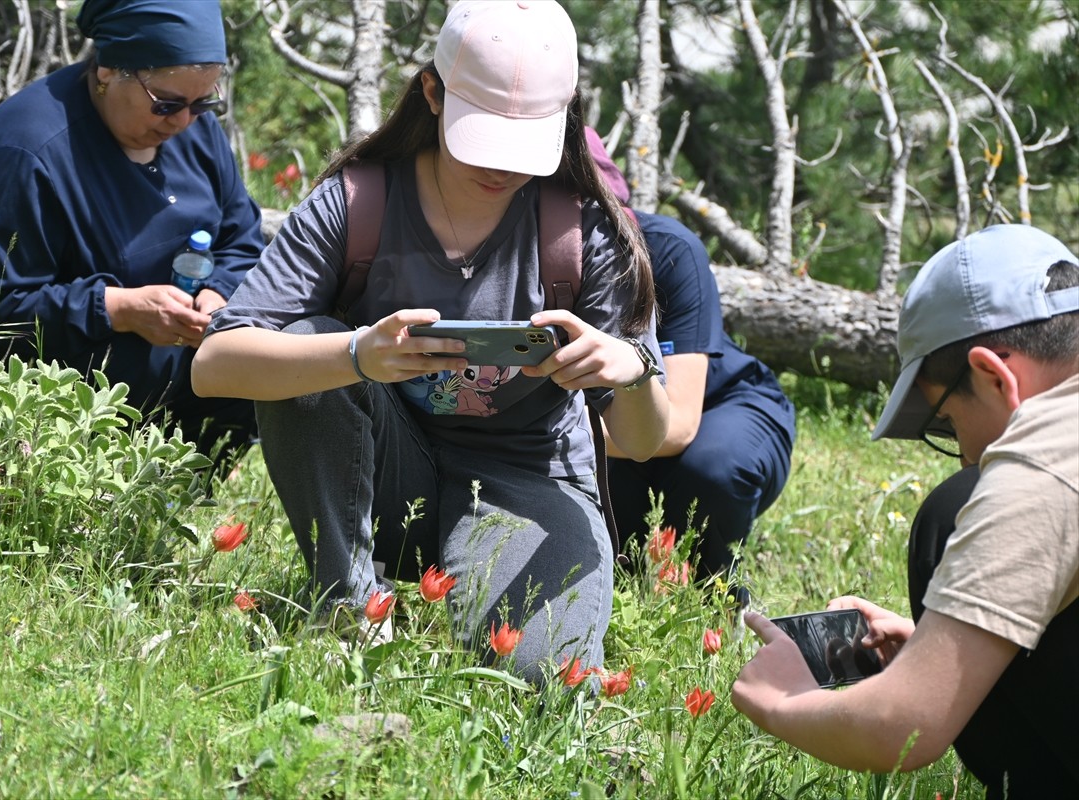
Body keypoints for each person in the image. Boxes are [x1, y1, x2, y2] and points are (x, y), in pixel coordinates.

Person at [191, 0, 669, 682]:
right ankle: (349, 610)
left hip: (528, 481)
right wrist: (357, 355)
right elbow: (213, 365)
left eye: (523, 144)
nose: (501, 168)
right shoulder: (355, 204)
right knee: (309, 344)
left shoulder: (586, 231)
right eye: (484, 137)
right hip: (384, 471)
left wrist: (631, 370)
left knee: (537, 682)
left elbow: (646, 440)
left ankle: (462, 587)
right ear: (432, 92)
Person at [731, 225, 1079, 797]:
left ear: (994, 377)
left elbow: (901, 728)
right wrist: (940, 644)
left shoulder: (1043, 462)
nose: (965, 456)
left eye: (948, 423)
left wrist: (781, 698)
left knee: (951, 508)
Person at [0, 0, 263, 466]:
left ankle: (176, 499)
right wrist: (117, 308)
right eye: (166, 104)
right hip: (19, 362)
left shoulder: (193, 127)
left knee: (261, 364)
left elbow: (242, 238)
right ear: (108, 71)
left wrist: (218, 293)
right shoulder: (29, 148)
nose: (183, 122)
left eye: (204, 102)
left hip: (152, 348)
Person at [586, 129, 796, 592]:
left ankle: (713, 599)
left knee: (709, 469)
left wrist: (542, 431)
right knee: (621, 558)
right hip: (613, 425)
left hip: (718, 403)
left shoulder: (667, 249)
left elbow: (679, 425)